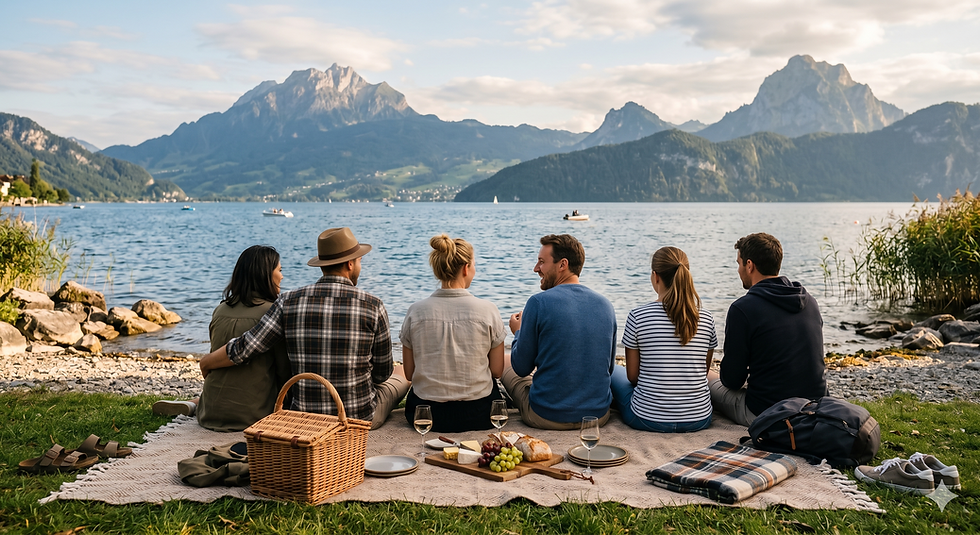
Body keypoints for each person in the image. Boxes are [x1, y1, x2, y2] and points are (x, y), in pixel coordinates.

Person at [198, 227, 410, 429]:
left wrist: (207, 361)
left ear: (322, 264)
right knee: (402, 375)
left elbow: (246, 347)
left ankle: (195, 402)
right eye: (359, 260)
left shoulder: (288, 301)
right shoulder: (373, 305)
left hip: (304, 417)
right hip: (357, 418)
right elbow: (382, 375)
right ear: (350, 265)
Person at [153, 246, 291, 430]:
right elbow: (284, 372)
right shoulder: (271, 314)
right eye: (279, 270)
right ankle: (195, 403)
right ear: (265, 274)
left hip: (210, 413)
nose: (282, 276)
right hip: (253, 416)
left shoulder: (220, 310)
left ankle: (196, 404)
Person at [708, 232, 828, 426]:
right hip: (814, 405)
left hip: (768, 411)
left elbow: (731, 381)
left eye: (738, 264)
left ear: (749, 265)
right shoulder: (809, 301)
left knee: (708, 380)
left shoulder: (743, 308)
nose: (738, 270)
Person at [502, 234, 617, 430]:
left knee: (505, 362)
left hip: (546, 416)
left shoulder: (538, 302)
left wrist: (518, 333)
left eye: (541, 262)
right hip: (596, 416)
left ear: (562, 264)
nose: (536, 269)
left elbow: (521, 368)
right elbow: (610, 369)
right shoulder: (606, 305)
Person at [400, 234, 506, 432]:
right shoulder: (488, 310)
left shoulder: (416, 311)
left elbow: (408, 373)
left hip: (425, 415)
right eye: (474, 264)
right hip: (479, 414)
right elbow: (498, 371)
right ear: (466, 268)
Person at [612, 247, 716, 432]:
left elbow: (633, 377)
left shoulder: (638, 316)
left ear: (655, 276)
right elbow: (703, 370)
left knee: (614, 373)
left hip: (646, 418)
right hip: (699, 418)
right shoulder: (706, 318)